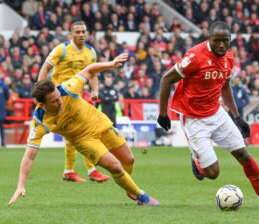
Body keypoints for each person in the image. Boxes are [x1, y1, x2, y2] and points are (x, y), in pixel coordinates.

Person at [157, 21, 259, 208]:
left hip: (217, 114)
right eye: (217, 41)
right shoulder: (194, 57)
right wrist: (163, 113)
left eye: (225, 41)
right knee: (212, 173)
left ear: (230, 40)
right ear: (209, 38)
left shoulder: (229, 58)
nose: (221, 45)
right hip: (193, 119)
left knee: (243, 154)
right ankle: (197, 159)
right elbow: (166, 79)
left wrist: (236, 116)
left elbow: (225, 87)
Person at [8, 53, 159, 206]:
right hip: (83, 140)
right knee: (115, 166)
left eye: (58, 96)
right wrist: (21, 185)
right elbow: (29, 156)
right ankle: (143, 197)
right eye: (54, 101)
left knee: (129, 160)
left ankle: (129, 187)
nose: (59, 101)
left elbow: (90, 69)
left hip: (100, 123)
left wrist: (111, 64)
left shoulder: (68, 88)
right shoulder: (40, 122)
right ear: (42, 104)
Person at [38, 20, 109, 183]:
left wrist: (95, 90)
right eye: (77, 32)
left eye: (83, 31)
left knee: (76, 134)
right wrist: (41, 93)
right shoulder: (61, 49)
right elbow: (45, 68)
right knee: (81, 132)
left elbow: (93, 73)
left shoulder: (91, 52)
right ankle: (88, 170)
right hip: (60, 99)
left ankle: (71, 170)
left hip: (77, 98)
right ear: (71, 34)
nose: (81, 34)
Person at [0, 73, 9, 147]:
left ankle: (3, 142)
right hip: (1, 109)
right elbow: (7, 96)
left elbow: (7, 96)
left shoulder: (3, 85)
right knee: (2, 126)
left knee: (2, 126)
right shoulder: (3, 85)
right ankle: (3, 142)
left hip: (1, 109)